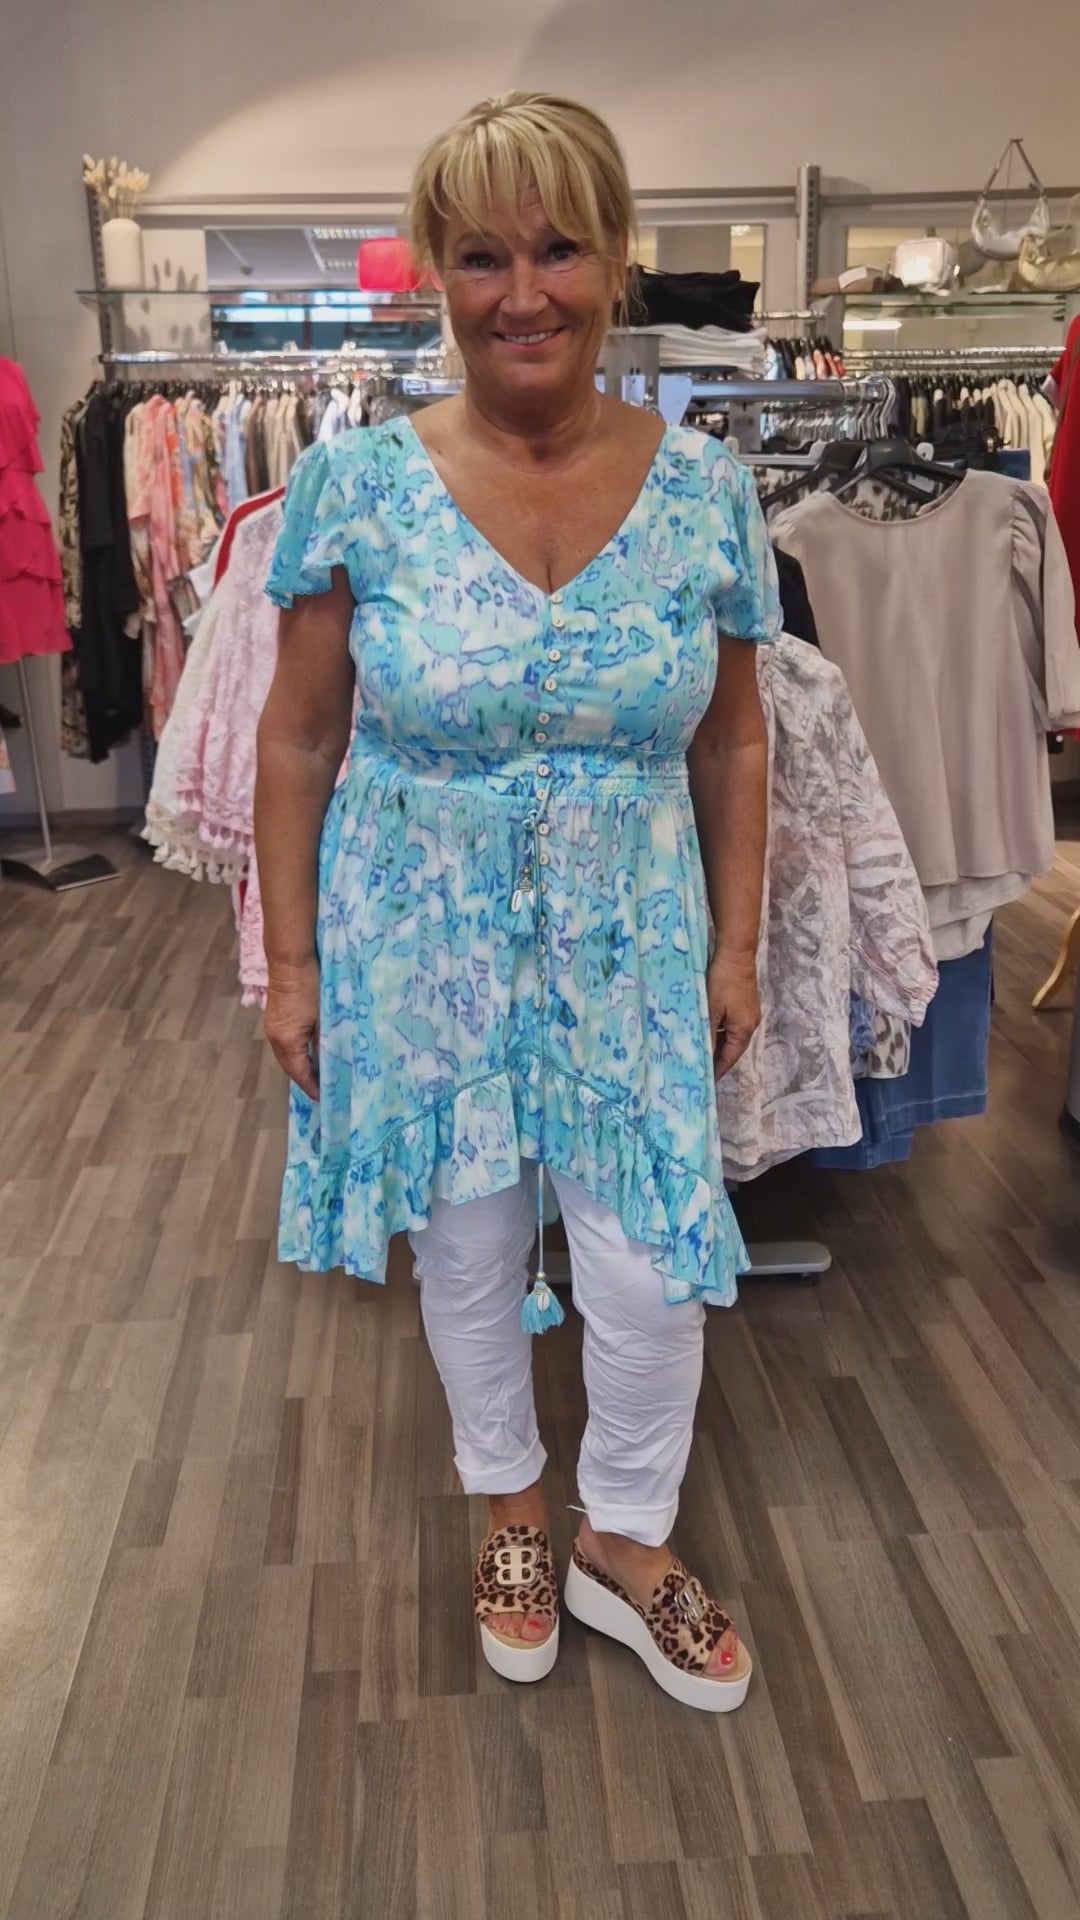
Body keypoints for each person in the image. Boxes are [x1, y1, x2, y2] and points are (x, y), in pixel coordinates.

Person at [254, 91, 777, 1713]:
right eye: (483, 256)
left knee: (646, 1267)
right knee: (471, 1247)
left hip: (632, 937)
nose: (524, 293)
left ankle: (625, 1530)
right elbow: (297, 737)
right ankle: (509, 1506)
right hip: (422, 938)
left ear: (616, 258)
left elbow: (737, 738)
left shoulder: (707, 490)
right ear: (438, 273)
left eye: (559, 249)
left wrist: (740, 941)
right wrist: (292, 965)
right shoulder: (354, 485)